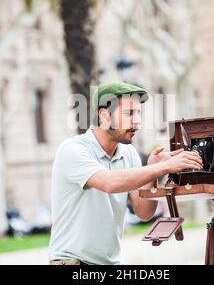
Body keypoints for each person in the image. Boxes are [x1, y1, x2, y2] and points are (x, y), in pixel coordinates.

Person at [48, 82, 202, 265]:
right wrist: (163, 167)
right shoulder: (72, 150)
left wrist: (152, 173)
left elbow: (143, 212)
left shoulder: (128, 153)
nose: (137, 121)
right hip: (71, 262)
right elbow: (109, 183)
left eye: (138, 113)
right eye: (129, 113)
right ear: (104, 116)